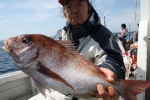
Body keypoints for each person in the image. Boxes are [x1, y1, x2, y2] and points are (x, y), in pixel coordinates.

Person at [29, 0, 125, 100]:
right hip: (61, 92)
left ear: (89, 8)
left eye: (79, 4)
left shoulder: (104, 35)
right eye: (69, 6)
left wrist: (109, 69)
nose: (74, 10)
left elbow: (114, 61)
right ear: (64, 12)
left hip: (91, 95)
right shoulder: (60, 35)